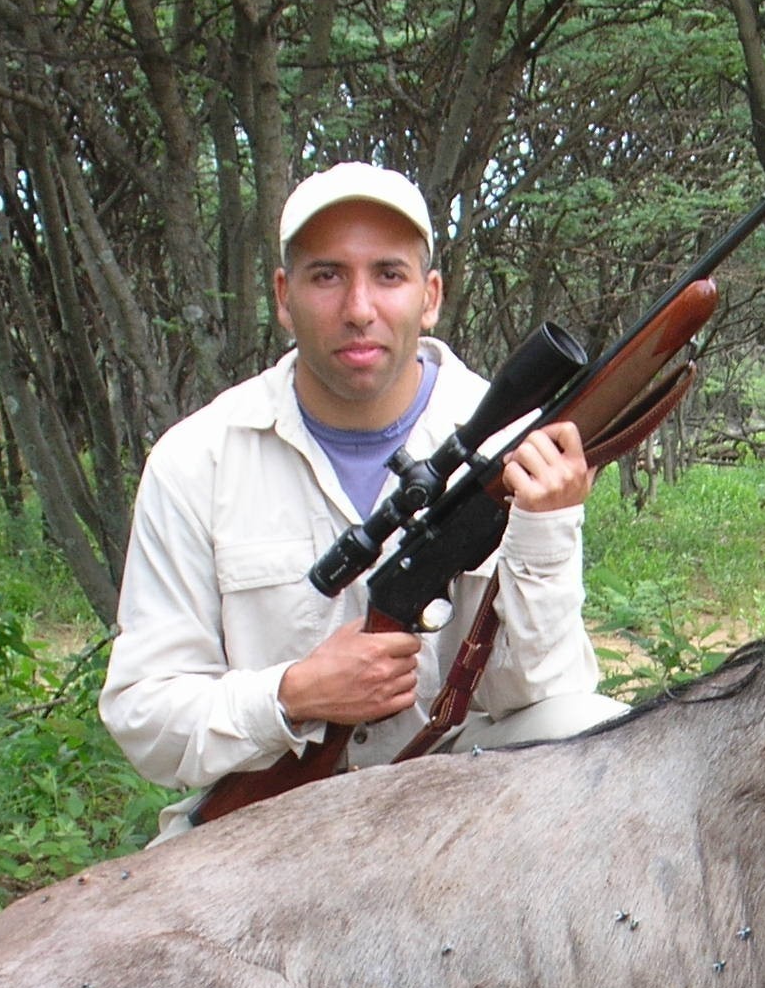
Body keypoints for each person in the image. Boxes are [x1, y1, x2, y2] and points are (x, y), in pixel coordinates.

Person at [101, 161, 626, 841]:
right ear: (284, 296)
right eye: (327, 275)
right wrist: (291, 696)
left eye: (388, 274)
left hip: (458, 802)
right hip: (268, 819)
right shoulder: (196, 459)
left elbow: (540, 694)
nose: (358, 309)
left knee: (594, 733)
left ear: (429, 295)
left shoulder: (514, 438)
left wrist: (546, 525)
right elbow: (144, 714)